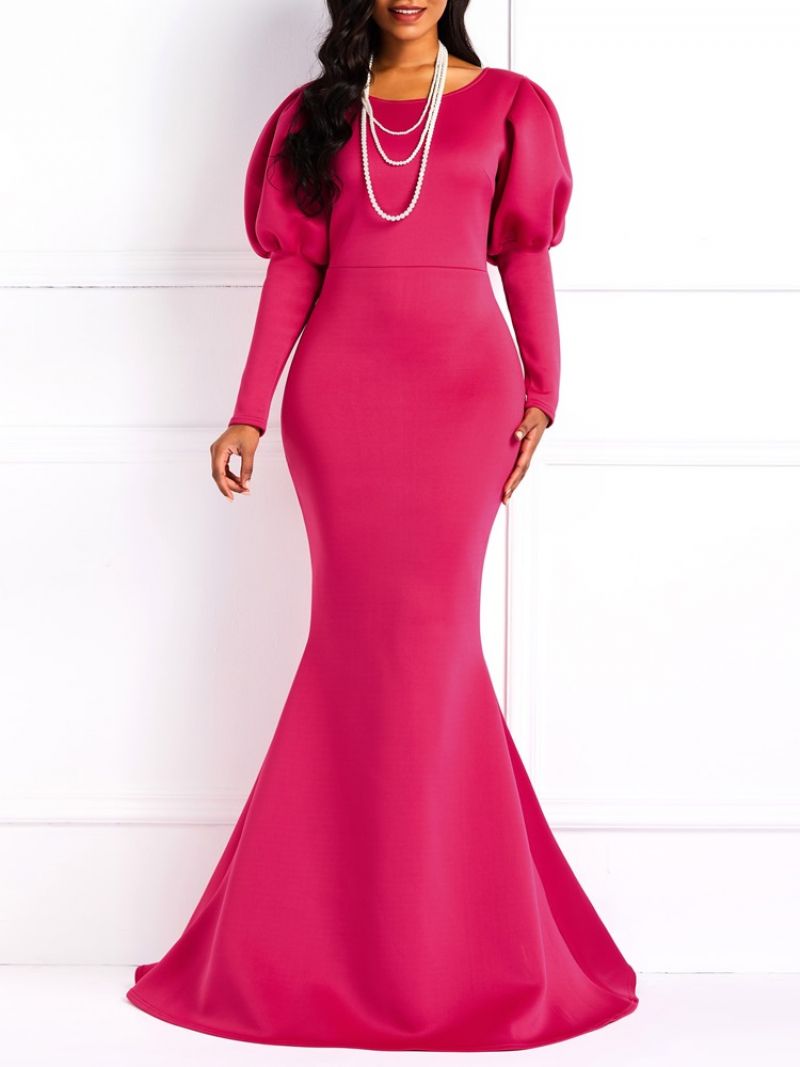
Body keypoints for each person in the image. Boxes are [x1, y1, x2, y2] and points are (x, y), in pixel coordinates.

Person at [126, 0, 639, 1051]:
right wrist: (248, 410)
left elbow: (523, 255)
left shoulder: (512, 108)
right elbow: (293, 268)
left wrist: (544, 390)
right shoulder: (313, 114)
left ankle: (458, 939)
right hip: (341, 403)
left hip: (463, 401)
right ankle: (320, 941)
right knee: (352, 648)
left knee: (435, 649)